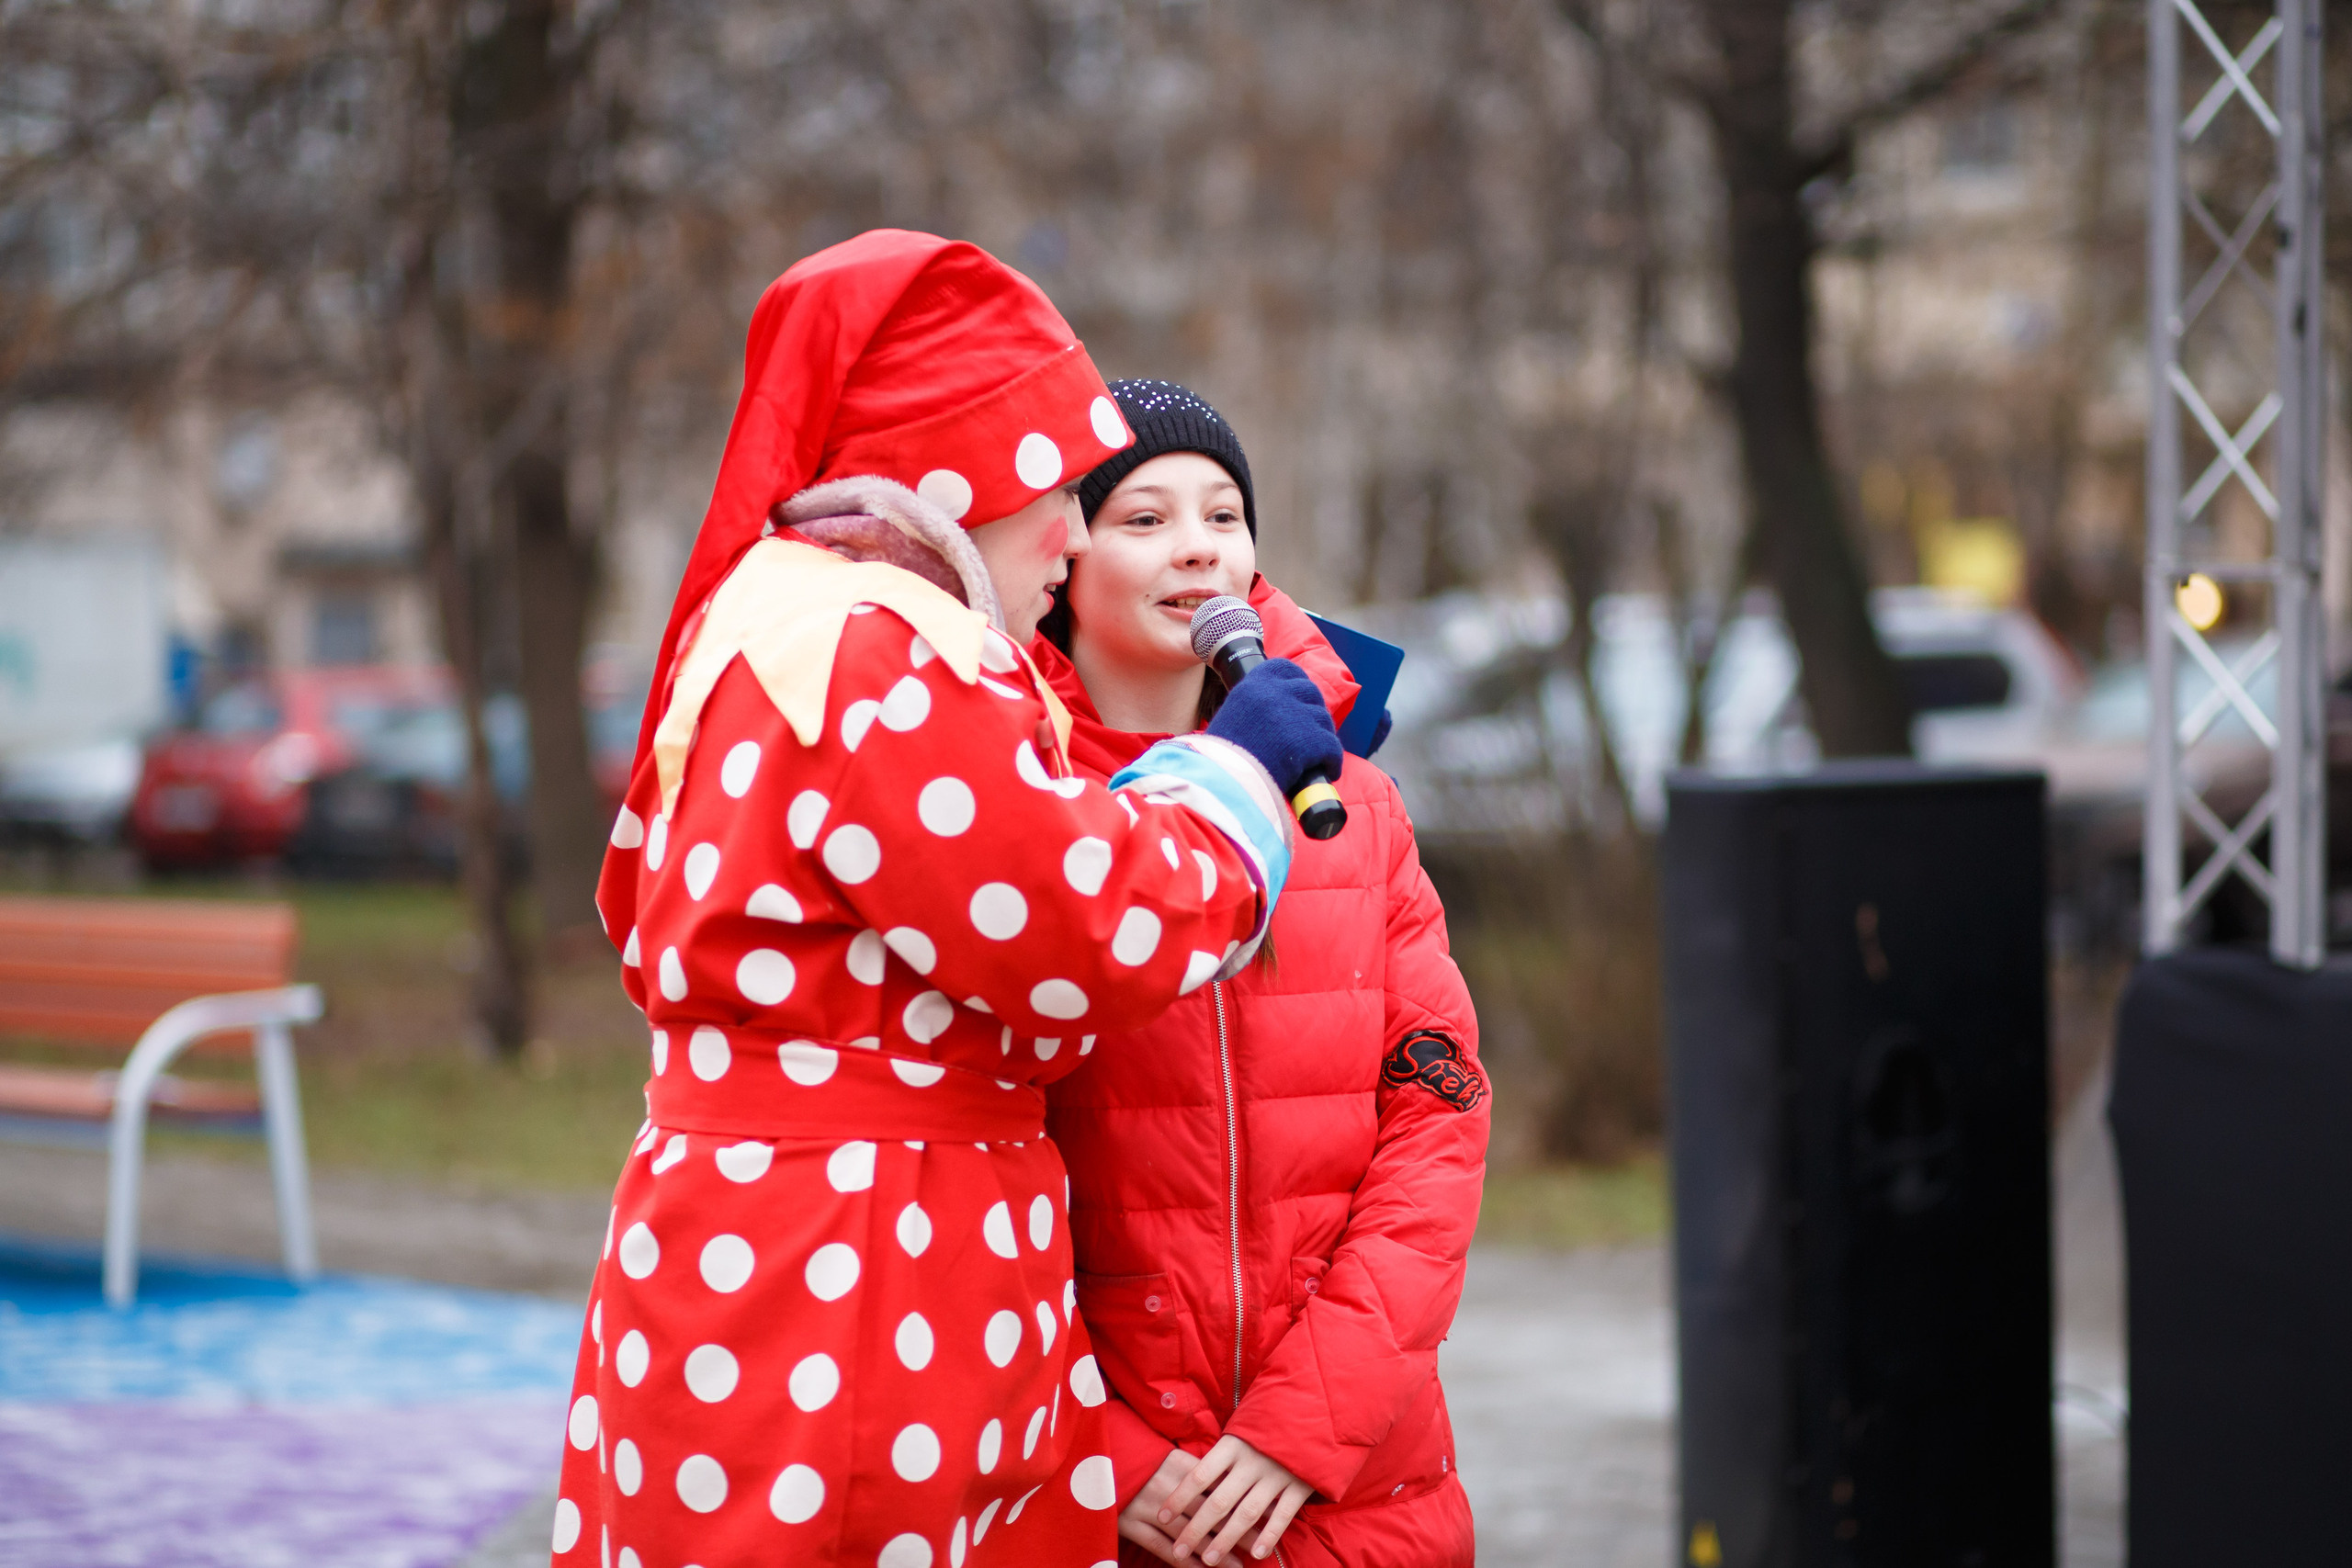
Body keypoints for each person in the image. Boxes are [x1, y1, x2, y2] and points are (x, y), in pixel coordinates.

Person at [554, 238, 1344, 1568]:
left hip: (788, 1242)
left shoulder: (778, 621)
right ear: (949, 478)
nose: (1075, 529)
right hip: (856, 1267)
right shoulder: (877, 651)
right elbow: (1083, 927)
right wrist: (1237, 780)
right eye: (1052, 484)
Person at [1033, 381, 1487, 1567]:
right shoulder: (1019, 818)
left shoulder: (1354, 808)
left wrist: (1306, 1424)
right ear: (1059, 560)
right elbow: (961, 1160)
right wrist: (1104, 1453)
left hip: (1355, 1489)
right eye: (1143, 519)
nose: (1197, 545)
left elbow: (1435, 1117)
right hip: (1111, 1497)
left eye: (1223, 514)